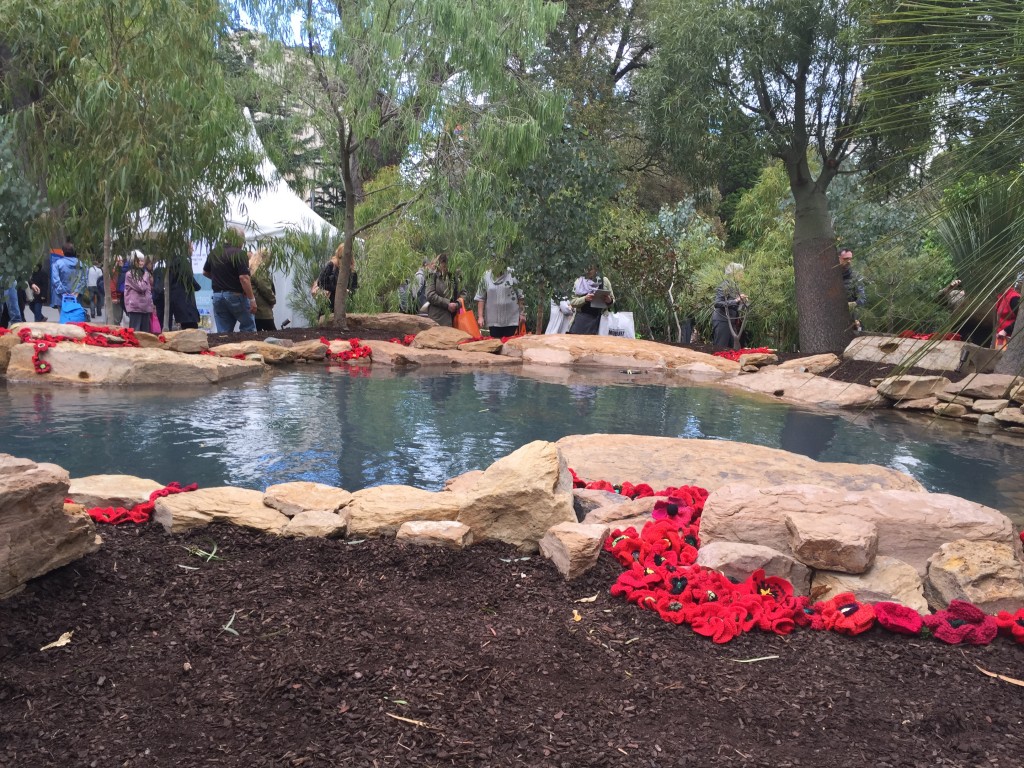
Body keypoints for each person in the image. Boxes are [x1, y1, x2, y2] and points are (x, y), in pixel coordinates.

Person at [203, 227, 257, 333]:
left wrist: (220, 279)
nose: (243, 244)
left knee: (223, 333)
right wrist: (252, 300)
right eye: (243, 241)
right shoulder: (240, 253)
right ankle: (245, 349)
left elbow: (205, 272)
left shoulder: (214, 253)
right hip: (236, 296)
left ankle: (225, 349)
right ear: (238, 240)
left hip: (217, 296)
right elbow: (244, 278)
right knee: (248, 328)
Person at [475, 259, 525, 338]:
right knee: (496, 344)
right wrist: (480, 317)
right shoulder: (485, 276)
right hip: (493, 319)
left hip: (511, 318)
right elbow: (481, 298)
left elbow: (521, 296)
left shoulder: (513, 274)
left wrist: (522, 313)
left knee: (510, 344)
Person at [567, 264, 614, 335]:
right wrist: (585, 299)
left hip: (599, 320)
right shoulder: (579, 281)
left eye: (591, 269)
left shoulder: (604, 281)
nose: (588, 271)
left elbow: (613, 300)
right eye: (586, 268)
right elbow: (573, 302)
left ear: (596, 269)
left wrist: (609, 301)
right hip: (581, 320)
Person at [712, 262, 748, 349]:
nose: (743, 274)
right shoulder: (725, 285)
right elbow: (717, 303)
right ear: (734, 273)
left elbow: (735, 306)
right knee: (721, 349)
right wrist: (736, 300)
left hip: (732, 322)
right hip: (722, 321)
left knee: (733, 349)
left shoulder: (735, 286)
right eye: (741, 272)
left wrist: (742, 303)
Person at [314, 243, 358, 314]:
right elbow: (321, 282)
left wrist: (348, 292)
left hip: (345, 309)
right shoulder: (333, 269)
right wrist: (331, 263)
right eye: (341, 257)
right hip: (329, 309)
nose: (344, 260)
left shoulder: (352, 273)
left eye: (347, 257)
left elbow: (354, 291)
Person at [424, 252, 463, 327]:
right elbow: (430, 295)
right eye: (444, 265)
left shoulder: (456, 276)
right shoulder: (432, 276)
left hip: (457, 318)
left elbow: (464, 293)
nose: (446, 268)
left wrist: (457, 304)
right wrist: (447, 304)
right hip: (439, 319)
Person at [123, 250, 155, 331]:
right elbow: (141, 287)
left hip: (146, 308)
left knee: (146, 333)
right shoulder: (130, 274)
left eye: (142, 260)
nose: (141, 263)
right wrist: (146, 276)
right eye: (139, 261)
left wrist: (151, 305)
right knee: (135, 332)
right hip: (136, 308)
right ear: (133, 261)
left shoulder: (144, 273)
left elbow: (148, 290)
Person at [250, 250, 277, 332]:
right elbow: (265, 288)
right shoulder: (259, 271)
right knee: (273, 334)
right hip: (262, 310)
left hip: (256, 308)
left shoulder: (251, 268)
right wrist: (273, 300)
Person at [839, 248, 866, 331]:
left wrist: (852, 304)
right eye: (845, 259)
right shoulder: (829, 277)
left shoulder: (856, 277)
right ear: (838, 258)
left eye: (850, 259)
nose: (849, 261)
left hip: (852, 320)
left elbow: (862, 299)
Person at [994, 281, 1021, 349]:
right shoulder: (1002, 297)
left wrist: (1006, 330)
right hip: (1001, 337)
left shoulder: (1014, 299)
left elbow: (1021, 319)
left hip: (1010, 339)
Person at [109, 255, 126, 325]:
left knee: (119, 317)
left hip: (120, 297)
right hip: (117, 297)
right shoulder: (115, 272)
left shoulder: (120, 271)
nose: (121, 262)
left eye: (121, 261)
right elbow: (113, 285)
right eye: (119, 261)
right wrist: (114, 297)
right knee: (117, 318)